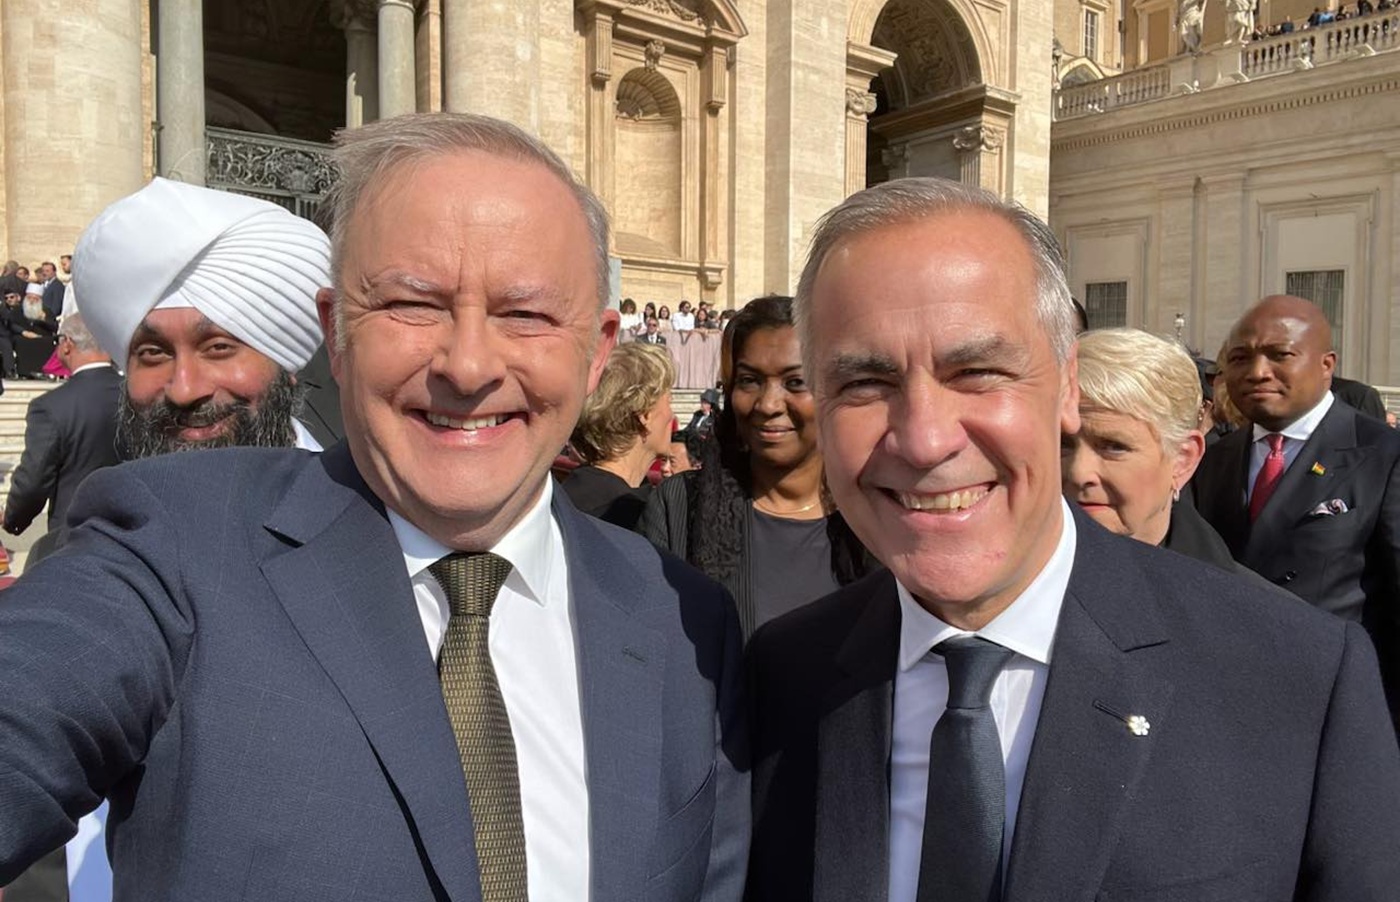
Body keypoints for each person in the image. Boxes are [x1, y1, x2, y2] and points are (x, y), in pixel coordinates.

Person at [0, 112, 747, 902]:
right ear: (335, 330)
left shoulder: (681, 620)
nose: (466, 365)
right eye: (410, 304)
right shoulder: (173, 545)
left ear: (597, 351)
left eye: (524, 314)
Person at [745, 177, 1400, 902]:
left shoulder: (1294, 676)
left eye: (978, 372)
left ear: (1065, 389)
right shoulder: (780, 675)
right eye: (866, 382)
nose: (925, 439)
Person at [1193, 294, 1400, 725]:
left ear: (1327, 364)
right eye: (1239, 357)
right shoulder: (1213, 459)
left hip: (1338, 706)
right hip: (1225, 698)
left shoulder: (1382, 454)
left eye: (1279, 355)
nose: (1257, 372)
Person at [642, 295, 873, 640]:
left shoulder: (878, 517)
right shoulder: (680, 508)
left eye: (795, 382)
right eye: (750, 380)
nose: (768, 404)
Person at [72, 177, 330, 456]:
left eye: (218, 348)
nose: (184, 390)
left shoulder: (357, 498)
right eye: (153, 353)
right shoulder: (102, 499)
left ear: (287, 365)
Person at [1061, 328, 1238, 572]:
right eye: (1062, 444)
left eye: (1114, 447)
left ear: (1182, 460)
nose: (1079, 473)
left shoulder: (1242, 606)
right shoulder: (1000, 588)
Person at [2, 313, 121, 540]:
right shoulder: (137, 395)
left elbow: (34, 480)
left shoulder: (50, 407)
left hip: (75, 531)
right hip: (132, 526)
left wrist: (12, 518)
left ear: (67, 344)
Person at [561, 341, 675, 530]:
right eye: (668, 401)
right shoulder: (629, 519)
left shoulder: (567, 495)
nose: (672, 415)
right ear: (644, 415)